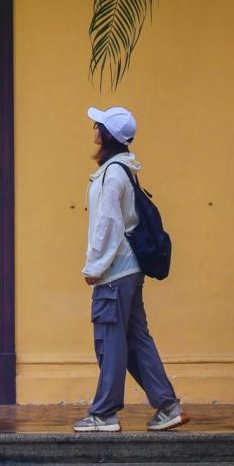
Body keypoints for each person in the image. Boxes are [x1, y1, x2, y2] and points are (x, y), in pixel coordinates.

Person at [73, 105, 184, 433]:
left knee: (110, 339)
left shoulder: (112, 174)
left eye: (98, 124)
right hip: (128, 270)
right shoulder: (123, 171)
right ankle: (168, 406)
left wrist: (94, 266)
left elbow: (107, 224)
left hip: (115, 273)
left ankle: (104, 413)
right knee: (136, 339)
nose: (93, 127)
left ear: (106, 134)